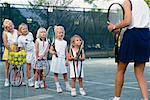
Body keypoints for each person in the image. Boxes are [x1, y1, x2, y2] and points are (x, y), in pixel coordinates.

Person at [107, 0, 150, 100]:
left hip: (133, 36)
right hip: (146, 35)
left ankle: (116, 98)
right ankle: (145, 99)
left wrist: (114, 27)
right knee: (139, 72)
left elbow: (127, 21)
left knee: (121, 69)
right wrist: (119, 28)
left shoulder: (127, 1)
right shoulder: (144, 3)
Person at [50, 25, 71, 93]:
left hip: (62, 60)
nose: (61, 34)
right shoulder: (54, 42)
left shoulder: (65, 42)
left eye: (62, 32)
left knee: (65, 73)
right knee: (56, 73)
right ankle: (58, 86)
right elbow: (50, 50)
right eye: (59, 33)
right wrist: (53, 52)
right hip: (56, 60)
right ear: (56, 34)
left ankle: (67, 86)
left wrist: (67, 60)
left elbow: (66, 52)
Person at [2, 19, 18, 87]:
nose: (10, 27)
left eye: (11, 26)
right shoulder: (5, 33)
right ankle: (6, 80)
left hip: (16, 49)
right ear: (6, 27)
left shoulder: (16, 31)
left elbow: (21, 37)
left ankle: (15, 80)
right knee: (7, 66)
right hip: (8, 49)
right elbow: (5, 43)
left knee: (16, 66)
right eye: (8, 27)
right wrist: (11, 50)